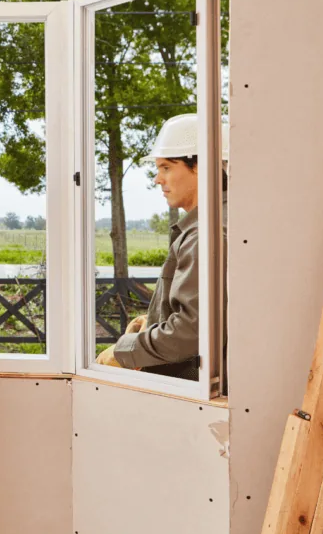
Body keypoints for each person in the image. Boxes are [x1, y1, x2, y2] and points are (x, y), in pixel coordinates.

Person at [96, 114, 228, 385]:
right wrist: (155, 319)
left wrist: (125, 351)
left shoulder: (206, 232)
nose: (158, 179)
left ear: (200, 166)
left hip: (191, 391)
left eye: (166, 167)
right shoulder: (214, 220)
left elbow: (192, 332)